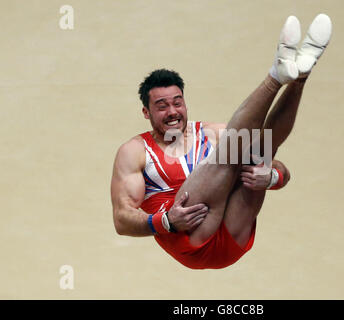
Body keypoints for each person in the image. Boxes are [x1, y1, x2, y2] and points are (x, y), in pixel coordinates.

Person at [111, 14, 332, 269]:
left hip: (232, 234)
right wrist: (167, 221)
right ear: (146, 113)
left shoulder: (210, 132)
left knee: (261, 151)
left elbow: (283, 172)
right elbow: (122, 220)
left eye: (177, 102)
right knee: (227, 155)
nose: (172, 111)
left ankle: (302, 73)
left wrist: (270, 177)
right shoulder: (135, 151)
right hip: (187, 236)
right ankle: (275, 76)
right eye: (161, 106)